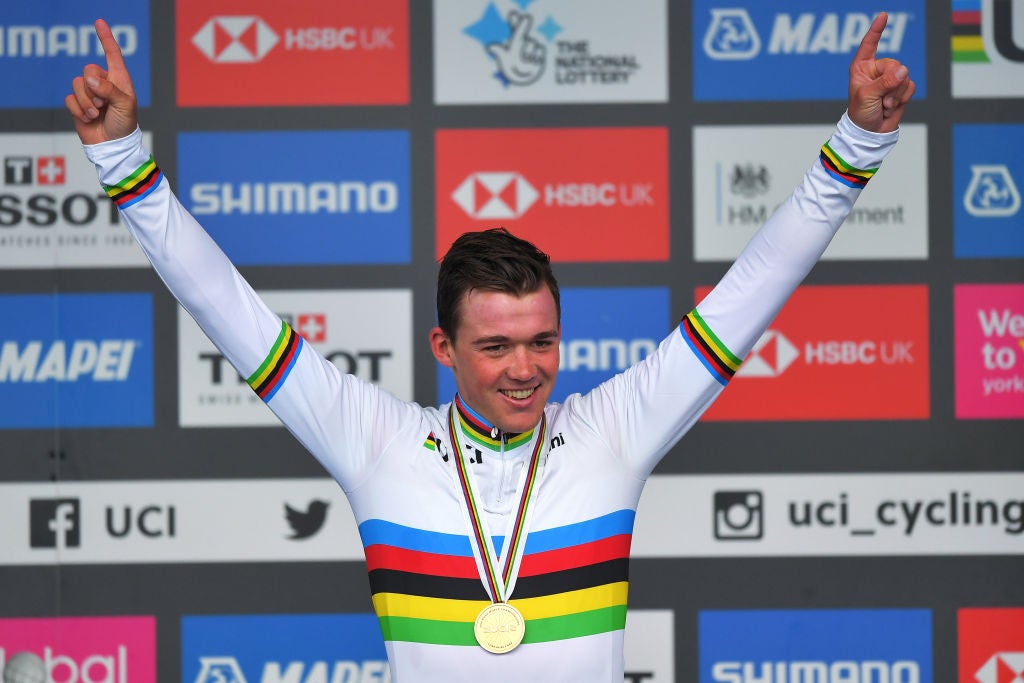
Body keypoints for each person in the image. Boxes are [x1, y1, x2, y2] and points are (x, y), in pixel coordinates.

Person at [66, 13, 914, 682]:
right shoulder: (378, 442)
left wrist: (858, 145)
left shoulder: (611, 429)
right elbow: (227, 309)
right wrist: (126, 165)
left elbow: (749, 294)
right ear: (443, 344)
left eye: (543, 340)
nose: (525, 367)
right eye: (497, 345)